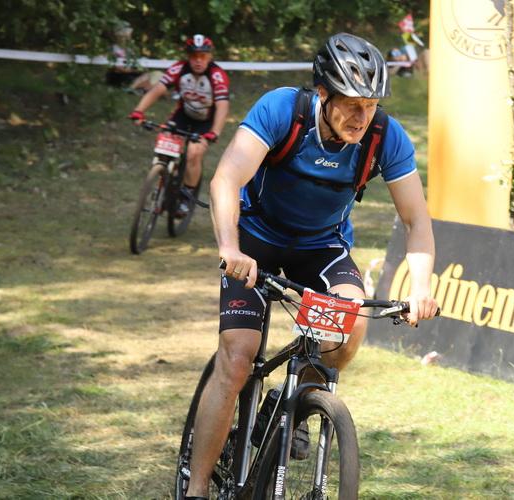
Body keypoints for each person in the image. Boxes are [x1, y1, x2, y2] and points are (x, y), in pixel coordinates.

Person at [184, 33, 439, 498]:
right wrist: (230, 247)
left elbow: (416, 219)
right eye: (352, 105)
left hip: (321, 249)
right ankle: (198, 488)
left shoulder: (385, 137)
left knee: (349, 326)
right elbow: (226, 178)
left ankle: (293, 400)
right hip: (254, 242)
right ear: (323, 92)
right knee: (238, 358)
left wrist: (421, 286)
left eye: (371, 105)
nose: (362, 117)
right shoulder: (284, 110)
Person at [129, 34, 229, 215]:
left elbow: (222, 105)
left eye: (203, 56)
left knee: (193, 153)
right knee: (164, 143)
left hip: (205, 121)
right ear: (188, 57)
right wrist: (138, 110)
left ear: (210, 57)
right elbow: (157, 90)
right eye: (194, 56)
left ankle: (186, 197)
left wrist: (215, 132)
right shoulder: (179, 69)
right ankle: (163, 182)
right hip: (183, 115)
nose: (198, 61)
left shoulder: (217, 75)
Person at [105, 21, 160, 93]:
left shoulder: (130, 49)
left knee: (152, 75)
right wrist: (134, 70)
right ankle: (132, 89)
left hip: (129, 72)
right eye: (123, 36)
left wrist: (138, 69)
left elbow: (134, 62)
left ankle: (143, 90)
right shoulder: (113, 48)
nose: (126, 38)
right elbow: (117, 67)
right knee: (145, 77)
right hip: (118, 74)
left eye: (126, 36)